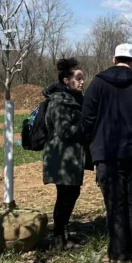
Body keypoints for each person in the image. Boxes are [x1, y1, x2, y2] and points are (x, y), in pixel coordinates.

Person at [81, 43, 132, 263]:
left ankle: (117, 254)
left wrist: (93, 143)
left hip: (107, 153)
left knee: (114, 203)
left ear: (114, 59)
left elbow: (86, 120)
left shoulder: (97, 84)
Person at [42, 57, 90, 251]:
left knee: (69, 195)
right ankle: (58, 239)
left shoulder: (74, 99)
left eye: (82, 78)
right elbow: (65, 132)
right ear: (65, 80)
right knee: (65, 196)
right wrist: (87, 125)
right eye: (78, 78)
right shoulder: (59, 102)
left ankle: (62, 235)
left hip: (71, 158)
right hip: (62, 159)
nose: (81, 81)